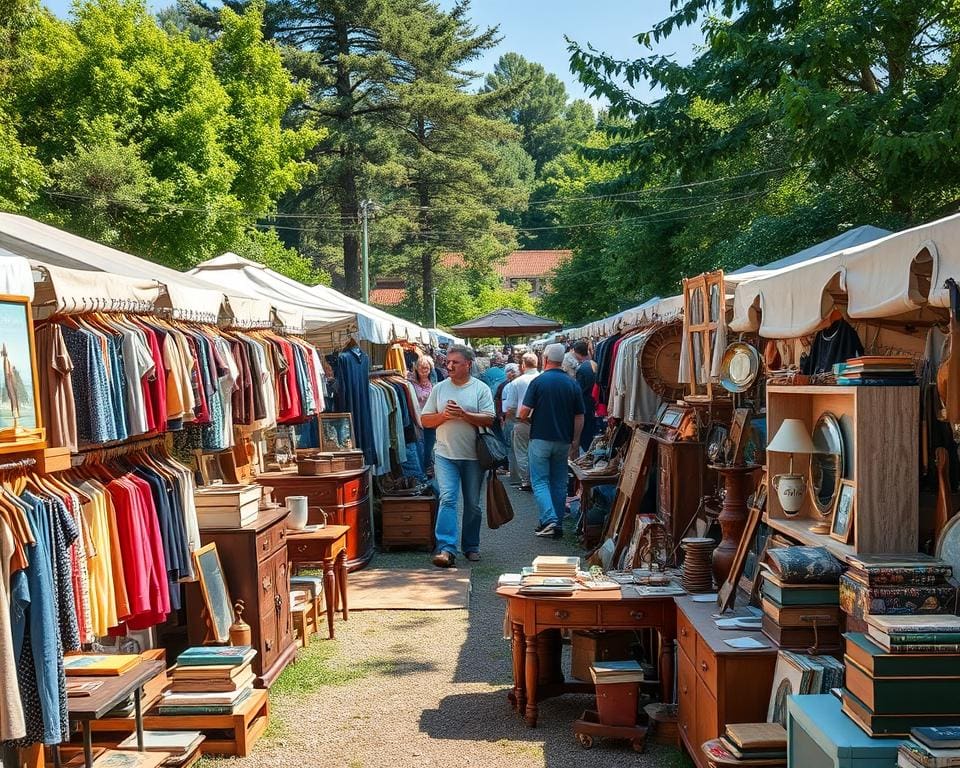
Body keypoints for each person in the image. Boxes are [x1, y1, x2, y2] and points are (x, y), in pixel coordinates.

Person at [421, 344, 496, 567]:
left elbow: (490, 418)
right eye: (448, 362)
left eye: (455, 362)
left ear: (468, 365)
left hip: (474, 456)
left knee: (473, 504)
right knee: (448, 498)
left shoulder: (480, 388)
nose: (449, 365)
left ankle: (471, 546)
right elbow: (425, 420)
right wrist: (444, 415)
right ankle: (446, 548)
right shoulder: (440, 388)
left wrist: (464, 415)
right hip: (445, 454)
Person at [518, 343, 583, 538]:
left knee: (540, 481)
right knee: (559, 482)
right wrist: (576, 441)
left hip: (540, 437)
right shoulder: (572, 383)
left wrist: (530, 418)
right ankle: (557, 522)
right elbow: (579, 416)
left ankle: (550, 519)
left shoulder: (538, 382)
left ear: (545, 359)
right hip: (563, 439)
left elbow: (523, 412)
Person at [503, 352, 539, 490]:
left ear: (523, 365)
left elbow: (510, 407)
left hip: (522, 422)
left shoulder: (517, 382)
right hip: (541, 423)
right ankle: (538, 480)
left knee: (522, 452)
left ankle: (526, 481)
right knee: (537, 453)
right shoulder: (542, 378)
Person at [409, 355, 436, 476]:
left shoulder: (434, 382)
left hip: (431, 419)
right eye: (421, 368)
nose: (424, 370)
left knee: (429, 445)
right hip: (416, 419)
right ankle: (422, 470)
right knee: (419, 445)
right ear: (417, 368)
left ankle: (428, 467)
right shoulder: (411, 383)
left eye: (426, 368)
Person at [572, 340, 598, 453]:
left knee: (585, 433)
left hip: (586, 404)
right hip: (594, 402)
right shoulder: (594, 364)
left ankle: (587, 453)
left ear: (577, 353)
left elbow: (579, 390)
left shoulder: (582, 369)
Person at [498, 363, 520, 482]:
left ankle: (515, 476)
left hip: (512, 419)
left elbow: (507, 408)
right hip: (526, 420)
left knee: (511, 447)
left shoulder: (508, 386)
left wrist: (504, 418)